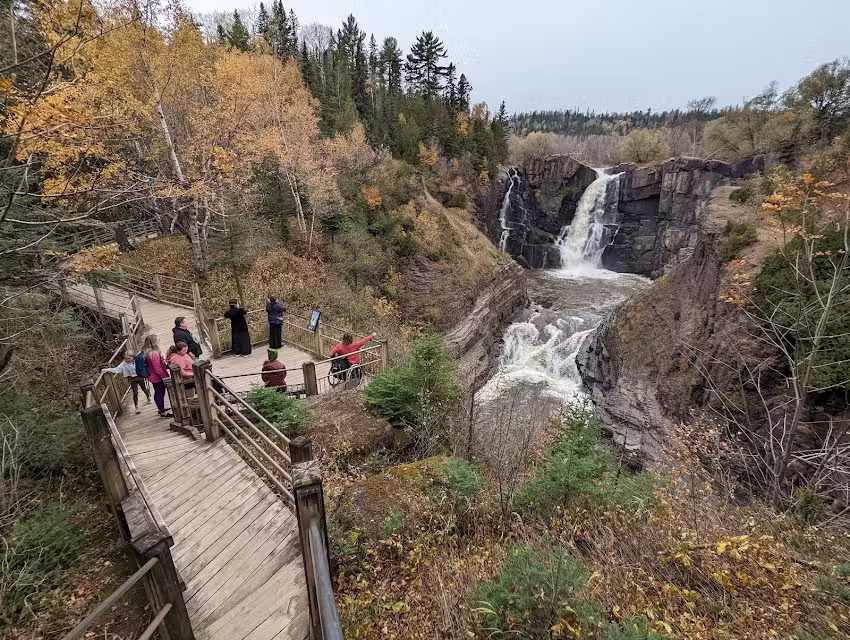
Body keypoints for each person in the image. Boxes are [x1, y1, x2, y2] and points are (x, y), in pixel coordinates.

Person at [102, 350, 151, 415]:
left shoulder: (137, 361)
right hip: (132, 379)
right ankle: (137, 407)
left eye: (129, 358)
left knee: (144, 388)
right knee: (135, 392)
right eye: (125, 358)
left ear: (133, 357)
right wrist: (107, 370)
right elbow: (117, 369)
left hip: (139, 377)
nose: (127, 360)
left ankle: (148, 397)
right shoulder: (123, 364)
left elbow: (144, 364)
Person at [143, 334, 172, 418]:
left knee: (158, 392)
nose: (159, 341)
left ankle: (161, 408)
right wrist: (164, 376)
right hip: (157, 377)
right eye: (157, 340)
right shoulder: (154, 353)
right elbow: (157, 367)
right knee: (160, 392)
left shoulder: (148, 352)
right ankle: (162, 411)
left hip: (153, 376)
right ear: (153, 342)